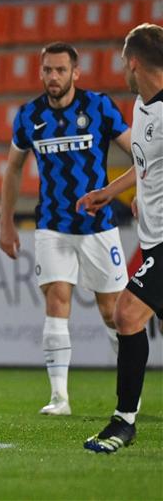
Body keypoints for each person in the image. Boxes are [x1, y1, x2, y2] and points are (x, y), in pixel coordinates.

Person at [0, 42, 133, 416]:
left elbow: (137, 151)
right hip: (52, 225)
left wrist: (132, 193)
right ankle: (59, 398)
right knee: (57, 300)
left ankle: (129, 390)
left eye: (60, 70)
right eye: (47, 70)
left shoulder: (99, 107)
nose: (52, 77)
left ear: (76, 73)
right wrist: (6, 222)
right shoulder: (29, 116)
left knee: (113, 312)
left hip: (98, 227)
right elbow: (12, 168)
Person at [77, 23, 163, 453]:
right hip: (153, 239)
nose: (121, 71)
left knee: (127, 315)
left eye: (122, 63)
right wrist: (112, 192)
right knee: (133, 318)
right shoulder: (141, 106)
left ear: (134, 63)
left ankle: (123, 422)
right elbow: (147, 164)